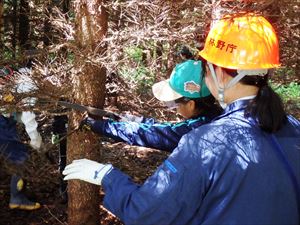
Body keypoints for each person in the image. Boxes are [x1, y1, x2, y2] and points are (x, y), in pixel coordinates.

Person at [63, 14, 300, 225]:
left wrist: (107, 176)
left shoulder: (206, 142)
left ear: (217, 73)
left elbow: (146, 213)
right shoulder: (293, 128)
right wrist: (128, 118)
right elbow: (164, 130)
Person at [80, 59, 222, 152]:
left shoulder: (195, 132)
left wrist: (101, 126)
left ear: (191, 104)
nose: (174, 108)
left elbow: (150, 135)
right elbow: (167, 129)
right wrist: (134, 120)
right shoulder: (215, 116)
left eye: (175, 103)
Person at [0, 65, 42, 210]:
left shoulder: (20, 76)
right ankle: (17, 198)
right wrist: (36, 140)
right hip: (2, 123)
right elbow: (27, 116)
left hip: (5, 120)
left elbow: (16, 112)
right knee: (20, 156)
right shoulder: (28, 83)